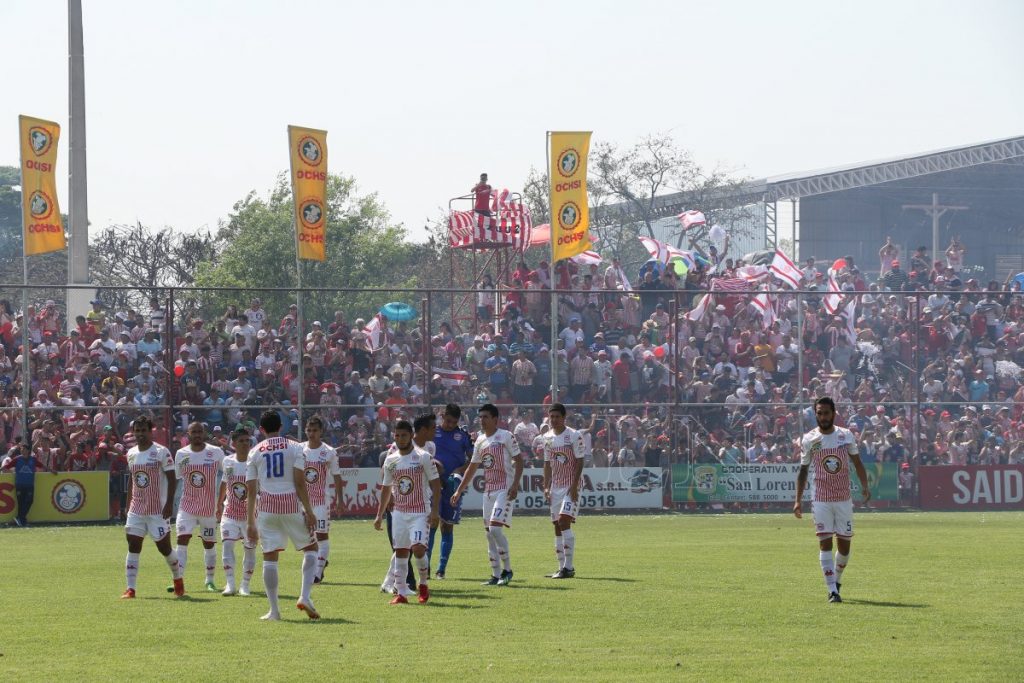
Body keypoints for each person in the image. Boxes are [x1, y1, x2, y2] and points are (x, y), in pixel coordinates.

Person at [793, 397, 871, 604]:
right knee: (825, 543)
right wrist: (798, 500)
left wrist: (864, 486)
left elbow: (857, 462)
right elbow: (802, 471)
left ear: (833, 413)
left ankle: (836, 580)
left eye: (826, 413)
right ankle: (832, 591)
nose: (823, 417)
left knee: (844, 547)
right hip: (821, 500)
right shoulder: (809, 439)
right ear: (816, 414)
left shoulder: (845, 436)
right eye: (819, 413)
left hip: (844, 499)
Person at [245, 410, 320, 621]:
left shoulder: (255, 451)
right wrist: (309, 511)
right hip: (290, 505)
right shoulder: (295, 447)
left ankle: (274, 611)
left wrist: (251, 521)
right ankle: (304, 596)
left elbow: (251, 489)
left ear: (261, 430)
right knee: (311, 548)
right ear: (281, 427)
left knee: (270, 556)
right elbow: (299, 482)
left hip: (267, 508)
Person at [451, 403, 523, 586]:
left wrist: (515, 484)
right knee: (489, 534)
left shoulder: (506, 436)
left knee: (495, 529)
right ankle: (495, 574)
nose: (481, 420)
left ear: (495, 419)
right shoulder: (480, 441)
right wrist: (459, 490)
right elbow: (472, 467)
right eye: (480, 417)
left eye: (485, 417)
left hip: (504, 489)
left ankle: (507, 570)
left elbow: (519, 461)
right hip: (488, 491)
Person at [374, 418, 441, 604]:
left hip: (420, 512)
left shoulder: (423, 457)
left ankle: (423, 583)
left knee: (418, 549)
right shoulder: (391, 460)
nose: (400, 439)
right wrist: (379, 515)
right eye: (397, 435)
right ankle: (401, 593)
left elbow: (436, 484)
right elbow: (386, 488)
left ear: (411, 436)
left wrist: (434, 511)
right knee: (401, 552)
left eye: (404, 435)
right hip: (399, 514)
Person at [121, 415, 184, 599]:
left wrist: (169, 504)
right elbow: (133, 481)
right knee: (133, 544)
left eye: (143, 430)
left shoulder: (161, 452)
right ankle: (130, 588)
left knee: (164, 548)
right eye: (137, 430)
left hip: (157, 509)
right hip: (137, 509)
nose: (140, 434)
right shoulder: (131, 453)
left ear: (151, 431)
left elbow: (172, 479)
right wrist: (127, 505)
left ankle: (178, 579)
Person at [170, 422, 225, 593]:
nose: (197, 435)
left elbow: (227, 474)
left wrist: (222, 501)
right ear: (188, 434)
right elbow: (177, 477)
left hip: (208, 508)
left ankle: (209, 581)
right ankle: (179, 579)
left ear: (204, 433)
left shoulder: (215, 452)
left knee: (208, 543)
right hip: (186, 506)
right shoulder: (181, 453)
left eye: (200, 432)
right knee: (182, 539)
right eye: (194, 432)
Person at [541, 403, 586, 579]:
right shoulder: (547, 438)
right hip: (555, 487)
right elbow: (547, 464)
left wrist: (574, 486)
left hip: (570, 486)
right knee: (556, 526)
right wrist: (546, 486)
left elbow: (580, 461)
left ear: (564, 418)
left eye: (557, 417)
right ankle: (560, 567)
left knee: (564, 521)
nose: (554, 420)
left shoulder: (574, 435)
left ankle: (569, 567)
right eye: (551, 417)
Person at [430, 403, 472, 578]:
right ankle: (426, 568)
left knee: (447, 526)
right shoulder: (431, 433)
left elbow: (473, 460)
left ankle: (441, 569)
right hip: (432, 484)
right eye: (448, 421)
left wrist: (459, 471)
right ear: (441, 415)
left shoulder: (462, 436)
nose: (450, 425)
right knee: (431, 524)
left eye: (454, 422)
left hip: (452, 486)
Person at [302, 415, 344, 583]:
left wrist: (340, 501)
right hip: (302, 502)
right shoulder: (299, 449)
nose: (311, 433)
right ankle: (319, 563)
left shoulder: (328, 452)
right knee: (308, 539)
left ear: (321, 432)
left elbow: (337, 477)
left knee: (322, 535)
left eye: (315, 430)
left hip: (321, 501)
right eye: (309, 430)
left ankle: (318, 573)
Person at [218, 426, 257, 596]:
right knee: (227, 545)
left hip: (251, 516)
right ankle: (230, 584)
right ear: (233, 443)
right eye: (241, 441)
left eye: (247, 441)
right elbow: (225, 482)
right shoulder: (228, 461)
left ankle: (245, 585)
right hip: (230, 513)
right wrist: (219, 504)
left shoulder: (255, 462)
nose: (245, 444)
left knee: (249, 549)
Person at [1, 441, 51, 526]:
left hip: (29, 484)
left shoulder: (33, 459)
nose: (22, 450)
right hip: (19, 484)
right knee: (21, 502)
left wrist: (51, 470)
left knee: (29, 501)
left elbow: (42, 465)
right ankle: (22, 521)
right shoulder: (17, 459)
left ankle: (19, 518)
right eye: (21, 449)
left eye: (23, 449)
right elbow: (6, 466)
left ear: (28, 450)